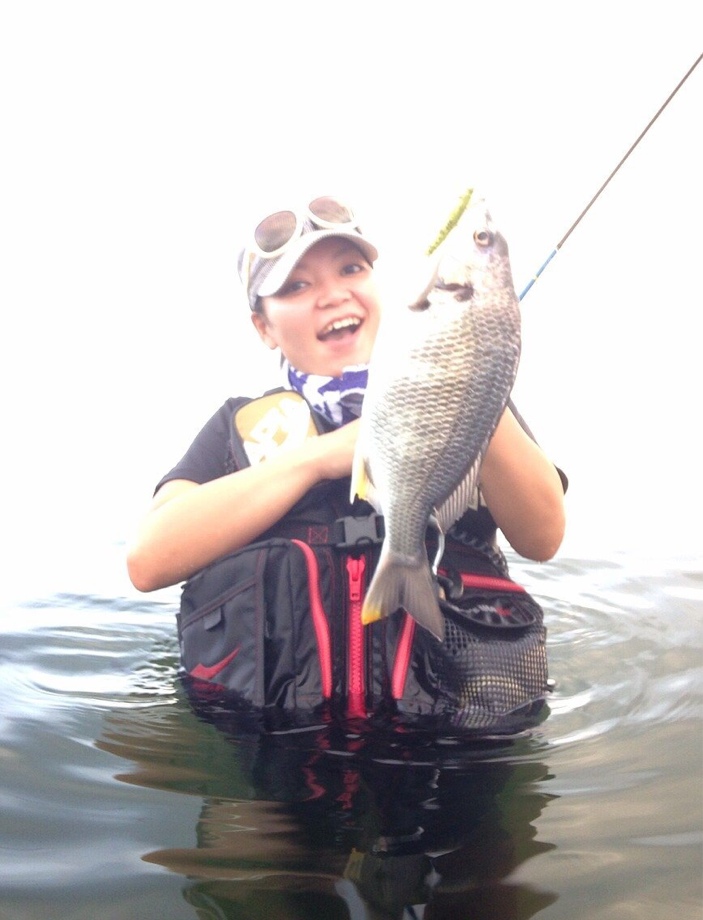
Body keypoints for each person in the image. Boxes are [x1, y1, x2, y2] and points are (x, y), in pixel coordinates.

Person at [126, 194, 566, 729]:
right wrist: (317, 459)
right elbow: (147, 561)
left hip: (456, 736)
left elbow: (543, 537)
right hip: (276, 736)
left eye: (351, 269)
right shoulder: (237, 428)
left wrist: (472, 370)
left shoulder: (469, 401)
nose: (333, 294)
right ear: (263, 328)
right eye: (296, 286)